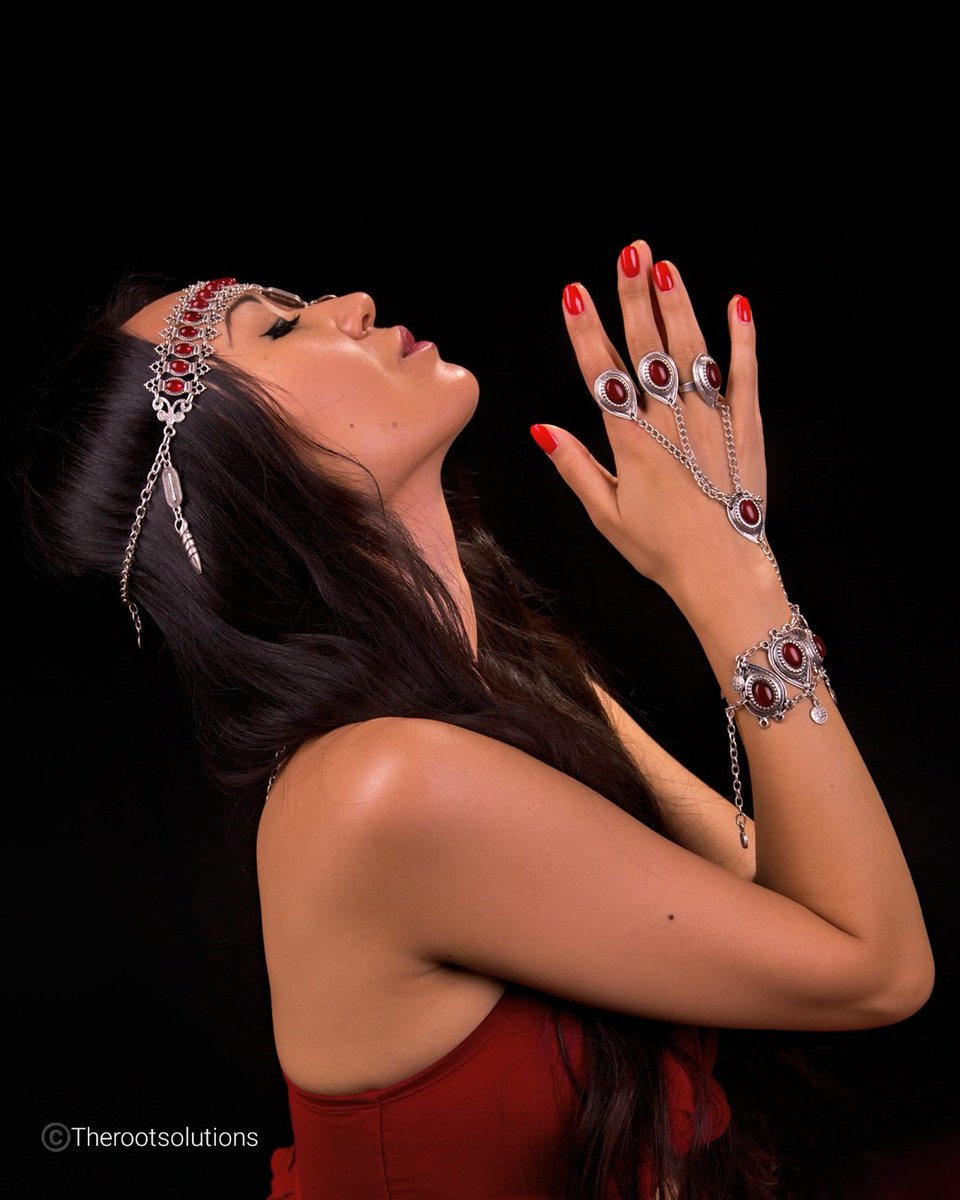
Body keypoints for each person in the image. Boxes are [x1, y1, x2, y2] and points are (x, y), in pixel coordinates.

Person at [20, 241, 933, 1200]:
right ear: (230, 480)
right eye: (281, 327)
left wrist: (724, 546)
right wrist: (735, 583)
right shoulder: (380, 787)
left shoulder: (502, 683)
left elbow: (797, 910)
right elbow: (871, 968)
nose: (357, 301)